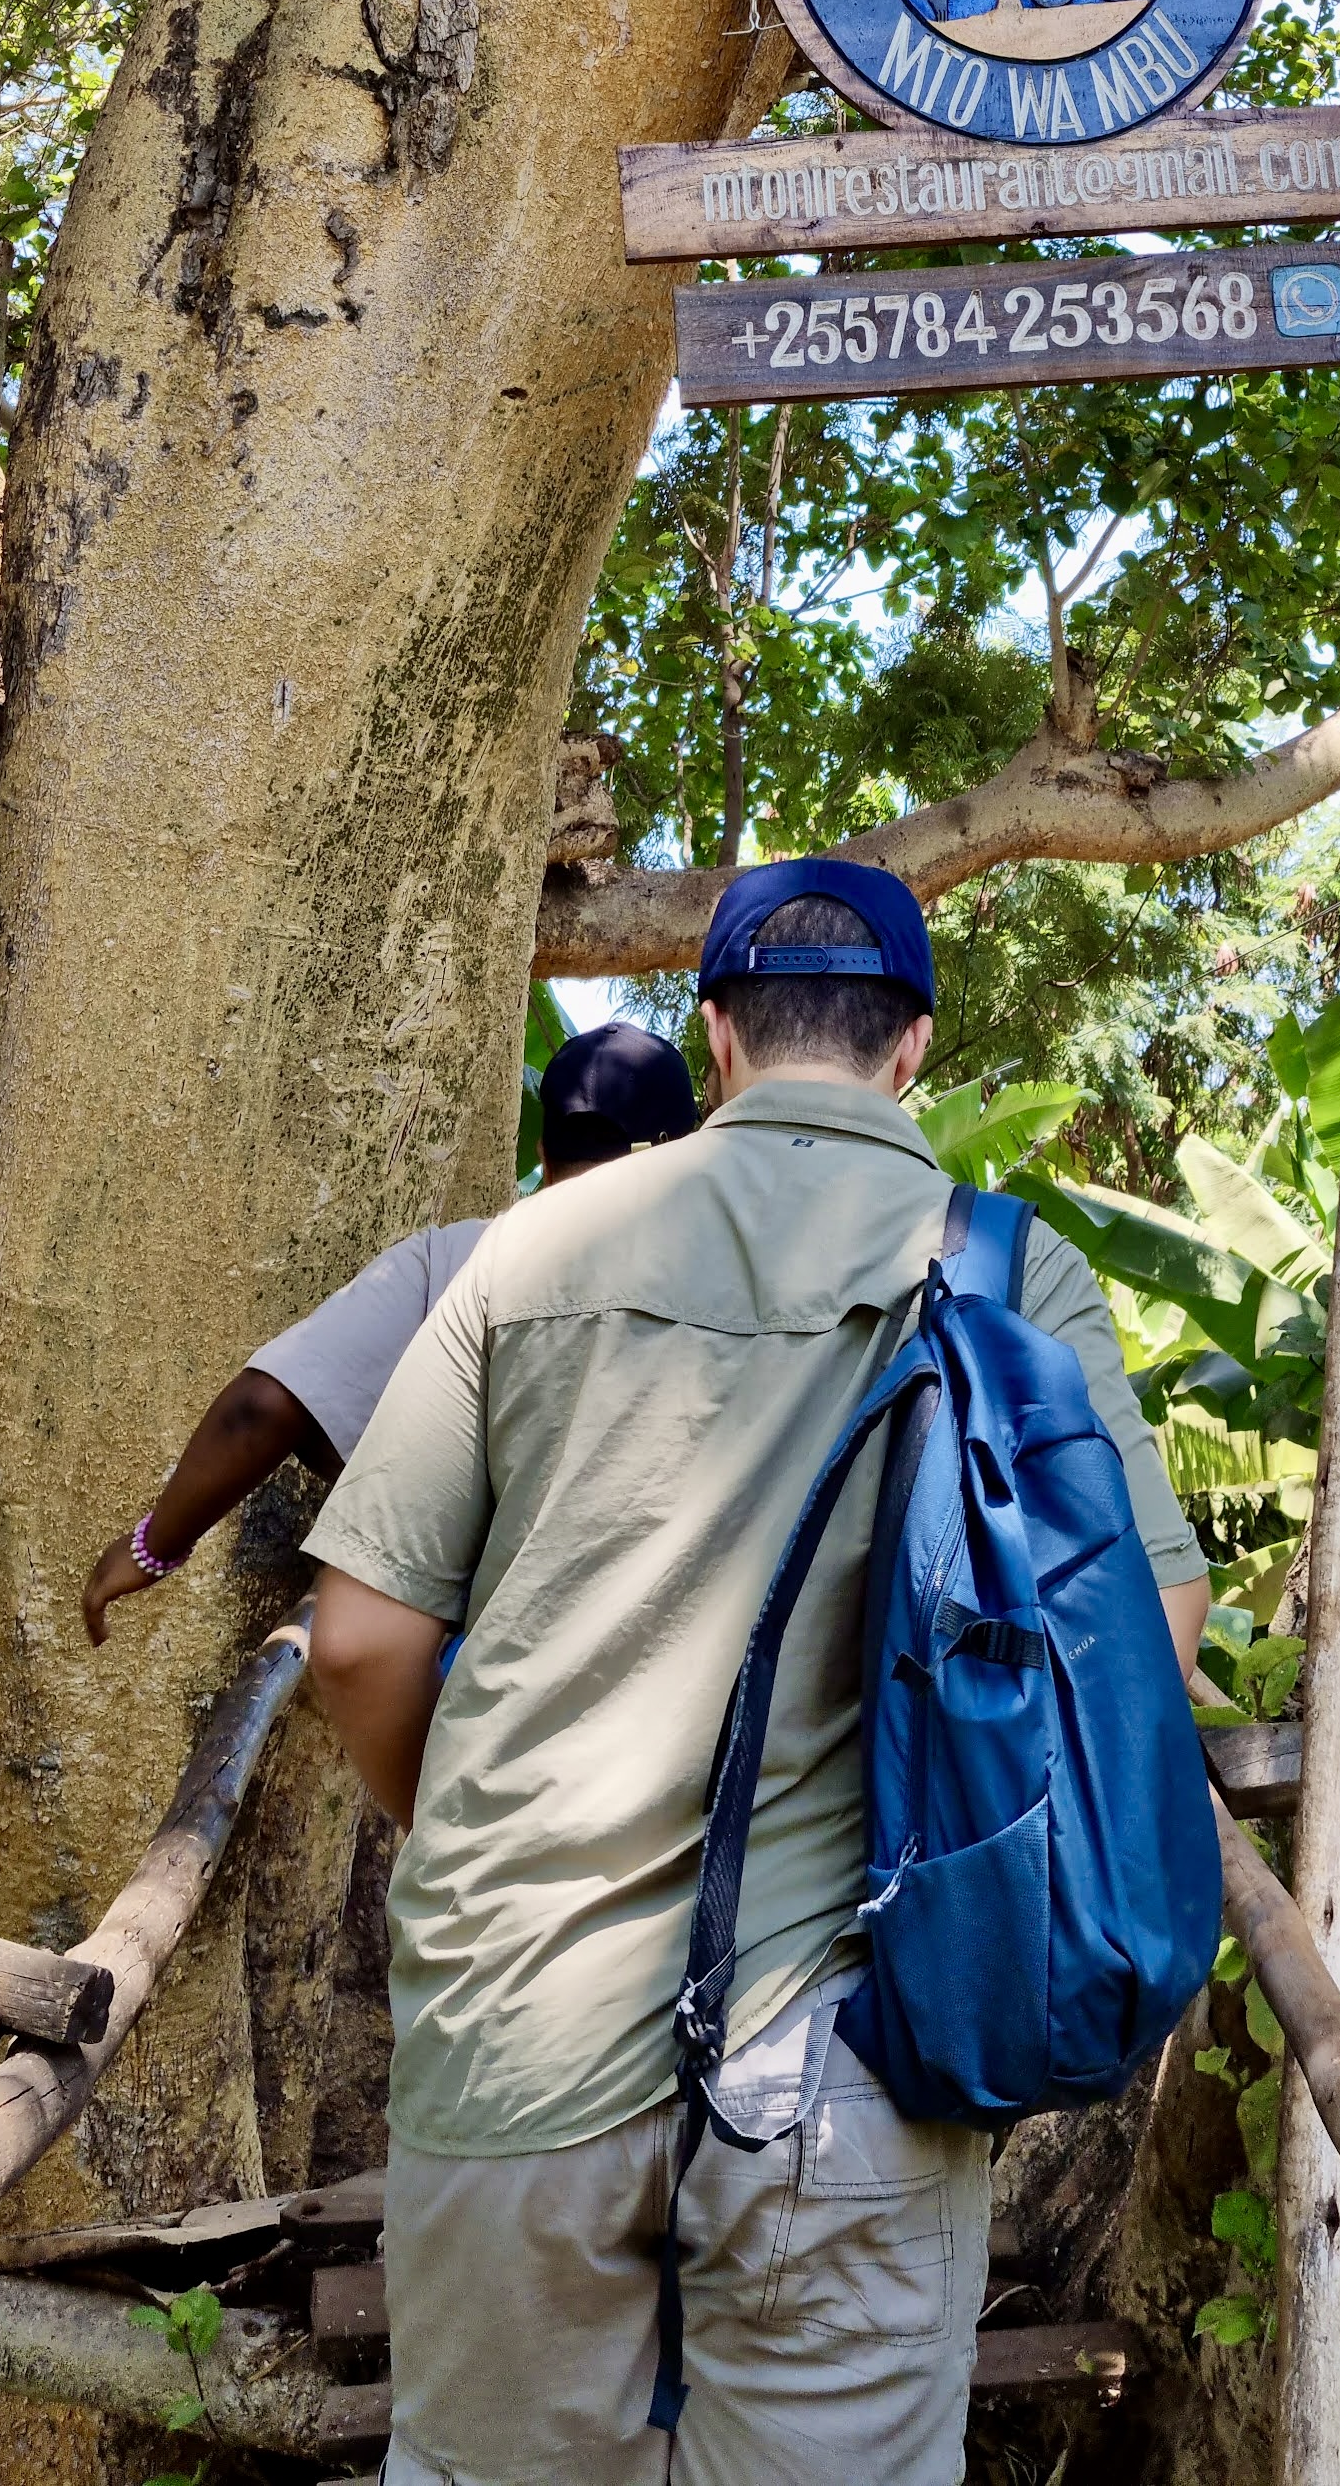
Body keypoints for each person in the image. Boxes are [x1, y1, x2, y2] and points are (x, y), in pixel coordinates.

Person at [308, 861, 1211, 2486]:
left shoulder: (532, 1249)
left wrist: (445, 1827)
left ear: (711, 1035)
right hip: (849, 2066)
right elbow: (1150, 1632)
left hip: (516, 2032)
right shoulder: (1004, 1271)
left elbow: (360, 1637)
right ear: (911, 1047)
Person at [80, 1020, 699, 1646]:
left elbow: (262, 1407)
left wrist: (151, 1548)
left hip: (490, 1652)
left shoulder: (452, 1260)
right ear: (687, 1160)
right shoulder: (733, 1295)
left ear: (542, 1150)